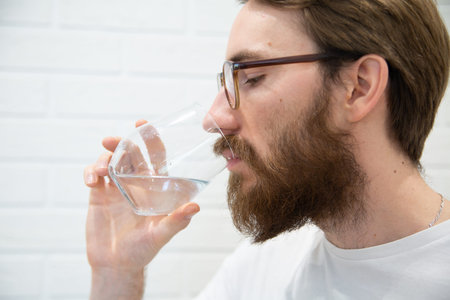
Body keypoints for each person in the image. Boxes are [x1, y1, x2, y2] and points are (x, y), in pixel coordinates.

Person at [83, 0, 450, 299]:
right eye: (227, 83)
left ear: (359, 87)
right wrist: (117, 274)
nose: (213, 118)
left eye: (252, 78)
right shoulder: (267, 264)